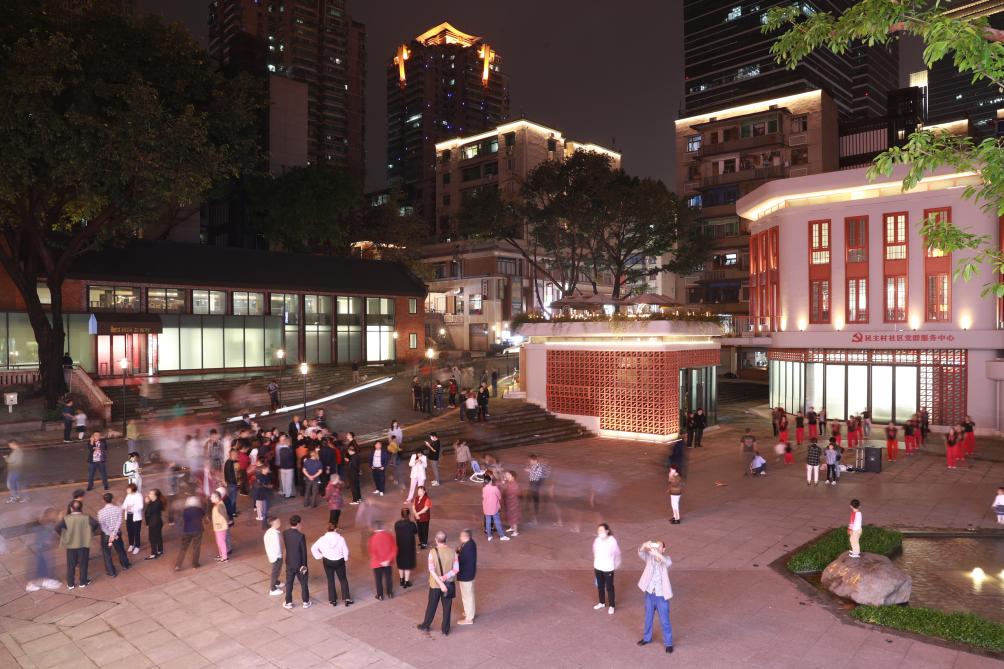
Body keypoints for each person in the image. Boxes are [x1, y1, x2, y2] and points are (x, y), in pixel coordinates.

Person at [417, 530, 459, 636]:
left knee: (432, 605)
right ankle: (445, 630)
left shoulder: (432, 552)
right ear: (445, 540)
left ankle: (426, 625)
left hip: (435, 584)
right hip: (448, 584)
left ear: (436, 540)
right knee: (447, 607)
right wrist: (445, 578)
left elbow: (431, 570)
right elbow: (456, 569)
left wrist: (440, 582)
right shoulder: (453, 552)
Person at [636, 540, 674, 654]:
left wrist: (657, 554)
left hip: (661, 595)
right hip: (649, 593)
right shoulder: (649, 557)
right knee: (648, 618)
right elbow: (640, 553)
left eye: (659, 546)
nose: (657, 548)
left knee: (665, 621)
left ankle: (668, 643)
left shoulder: (666, 559)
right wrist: (644, 545)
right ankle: (647, 638)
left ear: (663, 549)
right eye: (656, 545)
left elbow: (667, 563)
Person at [56, 499, 99, 589]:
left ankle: (70, 584)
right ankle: (83, 582)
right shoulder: (86, 517)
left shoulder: (66, 518)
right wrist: (89, 532)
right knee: (83, 563)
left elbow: (57, 528)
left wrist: (64, 535)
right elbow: (95, 524)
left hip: (71, 544)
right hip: (83, 544)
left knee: (71, 564)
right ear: (81, 508)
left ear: (71, 508)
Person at [312, 522, 352, 607]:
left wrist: (320, 556)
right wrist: (345, 558)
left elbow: (313, 548)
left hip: (328, 561)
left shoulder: (322, 539)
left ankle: (333, 600)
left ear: (327, 529)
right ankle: (346, 599)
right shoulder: (341, 538)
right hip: (339, 561)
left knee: (330, 579)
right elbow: (345, 550)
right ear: (336, 529)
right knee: (343, 579)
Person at [25, 508, 62, 592]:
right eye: (57, 515)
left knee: (44, 565)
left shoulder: (47, 525)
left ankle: (43, 580)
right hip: (43, 549)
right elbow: (47, 537)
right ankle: (36, 583)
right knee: (42, 566)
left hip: (43, 549)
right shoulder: (47, 526)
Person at [97, 492, 131, 577]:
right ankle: (125, 565)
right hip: (116, 534)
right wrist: (114, 534)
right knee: (120, 549)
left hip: (106, 535)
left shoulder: (101, 512)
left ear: (103, 500)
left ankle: (111, 572)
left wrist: (109, 534)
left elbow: (102, 526)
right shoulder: (117, 509)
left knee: (107, 553)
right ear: (112, 499)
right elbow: (119, 522)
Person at [282, 515, 311, 609]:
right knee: (303, 582)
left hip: (289, 562)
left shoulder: (285, 533)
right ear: (298, 524)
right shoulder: (301, 536)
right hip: (299, 564)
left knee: (289, 582)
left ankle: (288, 602)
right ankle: (305, 602)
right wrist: (304, 565)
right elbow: (303, 552)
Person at [592, 523, 621, 615]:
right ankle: (602, 602)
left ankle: (612, 605)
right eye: (598, 530)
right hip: (598, 567)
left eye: (601, 530)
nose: (599, 532)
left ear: (607, 531)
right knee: (600, 586)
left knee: (609, 587)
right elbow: (595, 551)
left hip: (608, 568)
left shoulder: (612, 540)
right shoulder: (597, 540)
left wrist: (616, 564)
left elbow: (617, 553)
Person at [369, 520, 397, 601]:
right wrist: (388, 560)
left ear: (374, 528)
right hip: (388, 562)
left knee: (378, 579)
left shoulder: (372, 538)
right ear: (383, 526)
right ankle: (390, 593)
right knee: (388, 578)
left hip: (377, 563)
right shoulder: (389, 535)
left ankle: (380, 595)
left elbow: (372, 552)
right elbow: (394, 548)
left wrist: (380, 561)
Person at [174, 496, 205, 571]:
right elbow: (203, 515)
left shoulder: (185, 510)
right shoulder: (199, 509)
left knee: (183, 548)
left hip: (187, 530)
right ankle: (195, 564)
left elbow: (184, 519)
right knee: (196, 547)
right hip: (198, 530)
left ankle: (178, 565)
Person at [456, 528, 477, 625]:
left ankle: (469, 619)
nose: (459, 537)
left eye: (461, 536)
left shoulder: (468, 548)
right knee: (469, 594)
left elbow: (461, 561)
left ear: (465, 537)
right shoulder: (470, 543)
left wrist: (456, 556)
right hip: (470, 574)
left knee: (467, 596)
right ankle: (470, 612)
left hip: (466, 575)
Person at [482, 476, 509, 542]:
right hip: (494, 508)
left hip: (486, 508)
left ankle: (489, 536)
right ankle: (502, 536)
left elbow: (483, 497)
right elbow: (499, 496)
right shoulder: (494, 488)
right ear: (490, 481)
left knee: (488, 522)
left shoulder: (484, 488)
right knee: (497, 521)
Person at [122, 483, 144, 555]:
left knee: (136, 532)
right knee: (129, 531)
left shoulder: (138, 496)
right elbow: (124, 505)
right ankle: (131, 544)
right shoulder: (128, 495)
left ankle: (137, 546)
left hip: (136, 517)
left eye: (128, 489)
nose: (127, 490)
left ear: (132, 489)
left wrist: (132, 508)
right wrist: (126, 507)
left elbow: (140, 506)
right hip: (128, 516)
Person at [264, 517, 284, 596]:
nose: (279, 522)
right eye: (277, 522)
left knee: (277, 570)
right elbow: (277, 547)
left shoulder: (270, 532)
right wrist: (279, 555)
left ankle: (276, 582)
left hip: (274, 555)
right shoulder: (274, 534)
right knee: (275, 572)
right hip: (276, 556)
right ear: (272, 524)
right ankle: (272, 589)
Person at [143, 489, 165, 559]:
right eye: (149, 493)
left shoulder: (156, 503)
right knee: (158, 536)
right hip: (156, 522)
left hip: (154, 523)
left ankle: (153, 554)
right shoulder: (155, 502)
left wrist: (148, 503)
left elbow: (149, 512)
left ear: (155, 495)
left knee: (152, 538)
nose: (149, 495)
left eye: (151, 494)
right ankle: (160, 550)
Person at [209, 491, 229, 563]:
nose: (210, 498)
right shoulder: (217, 504)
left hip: (220, 527)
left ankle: (225, 557)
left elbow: (225, 515)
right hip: (218, 527)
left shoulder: (219, 505)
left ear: (216, 498)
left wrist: (227, 522)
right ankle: (221, 555)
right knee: (219, 542)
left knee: (221, 542)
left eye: (212, 497)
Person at [252, 464, 274, 530]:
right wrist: (269, 486)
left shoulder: (262, 476)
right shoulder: (261, 477)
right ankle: (264, 524)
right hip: (262, 494)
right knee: (264, 509)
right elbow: (261, 485)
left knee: (263, 508)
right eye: (267, 469)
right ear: (263, 469)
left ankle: (264, 521)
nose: (268, 470)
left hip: (261, 494)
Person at [501, 471, 521, 537]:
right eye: (506, 474)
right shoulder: (508, 482)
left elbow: (517, 493)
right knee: (509, 515)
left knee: (513, 517)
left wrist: (504, 487)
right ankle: (512, 527)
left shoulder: (515, 484)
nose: (506, 476)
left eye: (508, 475)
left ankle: (515, 531)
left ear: (513, 477)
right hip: (508, 502)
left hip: (513, 503)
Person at [526, 454, 545, 522]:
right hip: (532, 484)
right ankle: (532, 516)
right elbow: (532, 476)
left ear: (535, 460)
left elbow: (537, 476)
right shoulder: (533, 466)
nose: (529, 462)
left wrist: (530, 471)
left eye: (530, 460)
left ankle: (535, 518)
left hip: (535, 485)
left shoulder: (539, 467)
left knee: (535, 501)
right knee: (530, 499)